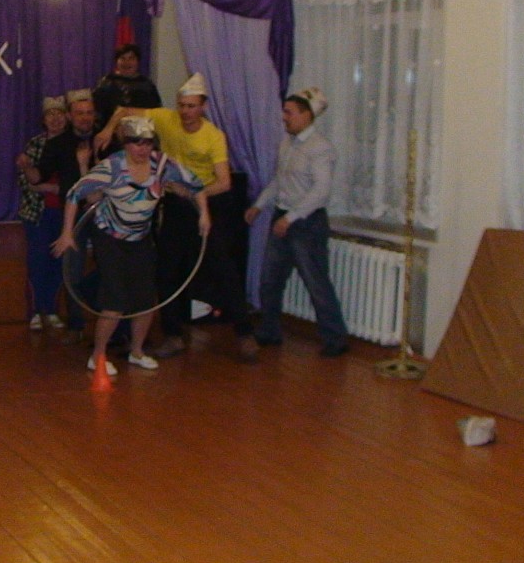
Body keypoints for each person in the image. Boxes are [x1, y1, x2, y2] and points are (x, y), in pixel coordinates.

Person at [95, 73, 257, 362]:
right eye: (181, 105)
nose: (185, 111)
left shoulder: (213, 136)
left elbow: (224, 182)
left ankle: (244, 334)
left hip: (207, 205)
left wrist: (194, 193)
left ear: (203, 107)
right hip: (174, 208)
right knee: (166, 272)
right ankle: (173, 335)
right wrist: (108, 130)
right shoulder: (165, 118)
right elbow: (123, 110)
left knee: (224, 269)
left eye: (191, 106)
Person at [52, 116, 209, 375]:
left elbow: (196, 184)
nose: (142, 149)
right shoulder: (112, 167)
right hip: (109, 236)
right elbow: (74, 193)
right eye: (136, 143)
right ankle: (98, 356)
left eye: (147, 143)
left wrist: (204, 214)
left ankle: (136, 351)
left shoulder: (162, 165)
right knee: (115, 299)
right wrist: (67, 232)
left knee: (145, 299)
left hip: (140, 237)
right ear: (125, 144)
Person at [244, 87, 350, 357]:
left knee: (316, 283)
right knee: (270, 280)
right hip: (282, 217)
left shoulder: (321, 148)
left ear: (306, 115)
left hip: (307, 224)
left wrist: (290, 218)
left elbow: (320, 192)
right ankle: (269, 330)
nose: (284, 117)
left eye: (289, 112)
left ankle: (335, 339)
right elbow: (279, 180)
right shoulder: (287, 143)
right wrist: (259, 205)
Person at [23, 89, 99, 343]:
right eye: (79, 113)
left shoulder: (104, 140)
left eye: (89, 113)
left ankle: (116, 326)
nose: (85, 118)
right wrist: (27, 167)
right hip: (75, 215)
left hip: (105, 214)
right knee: (72, 271)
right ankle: (76, 325)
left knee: (110, 268)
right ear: (71, 116)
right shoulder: (58, 144)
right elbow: (39, 176)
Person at [15, 96, 68, 331]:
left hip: (64, 212)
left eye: (59, 113)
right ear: (43, 120)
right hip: (38, 212)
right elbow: (26, 181)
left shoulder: (73, 143)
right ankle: (36, 311)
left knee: (59, 262)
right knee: (38, 261)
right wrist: (42, 184)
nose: (55, 118)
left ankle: (52, 309)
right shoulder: (35, 144)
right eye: (50, 114)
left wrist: (56, 189)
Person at [91, 43, 162, 132]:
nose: (127, 62)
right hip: (110, 134)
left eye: (131, 58)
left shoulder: (147, 85)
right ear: (117, 61)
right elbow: (96, 113)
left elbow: (156, 113)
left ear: (138, 61)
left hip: (142, 134)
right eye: (122, 58)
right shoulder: (106, 82)